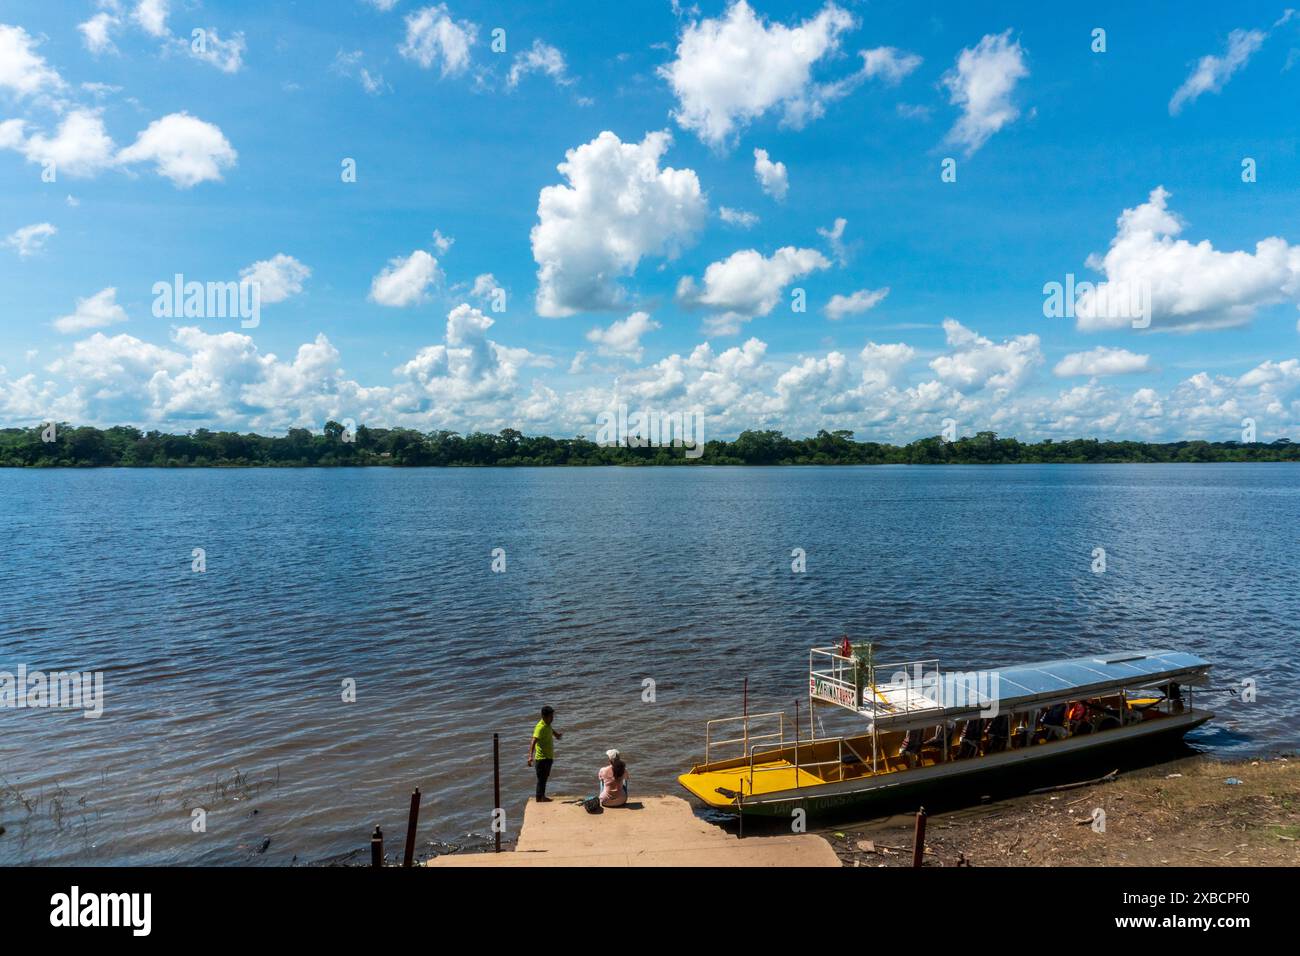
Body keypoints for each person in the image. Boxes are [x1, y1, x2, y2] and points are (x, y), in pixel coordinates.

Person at [527, 705, 562, 802]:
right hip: (541, 759)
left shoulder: (547, 724)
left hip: (548, 757)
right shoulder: (540, 727)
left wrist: (557, 735)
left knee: (545, 778)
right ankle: (539, 798)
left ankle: (542, 796)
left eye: (552, 716)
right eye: (551, 716)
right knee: (541, 780)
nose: (552, 718)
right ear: (544, 716)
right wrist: (530, 756)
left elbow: (551, 730)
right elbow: (533, 741)